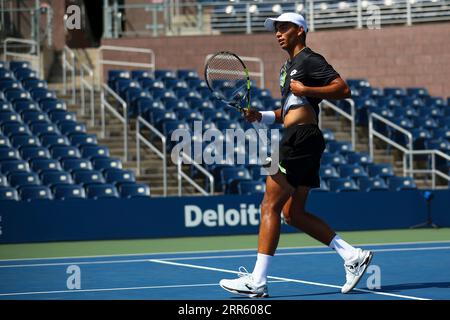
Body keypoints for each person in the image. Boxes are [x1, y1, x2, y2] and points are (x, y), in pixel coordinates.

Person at [219, 12, 373, 298]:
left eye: (284, 28)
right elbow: (288, 111)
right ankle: (352, 256)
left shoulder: (310, 60)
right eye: (276, 29)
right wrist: (260, 116)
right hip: (302, 138)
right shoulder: (286, 68)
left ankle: (258, 281)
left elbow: (343, 89)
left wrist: (308, 88)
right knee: (293, 213)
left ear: (300, 31)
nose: (278, 33)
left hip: (300, 139)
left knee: (269, 205)